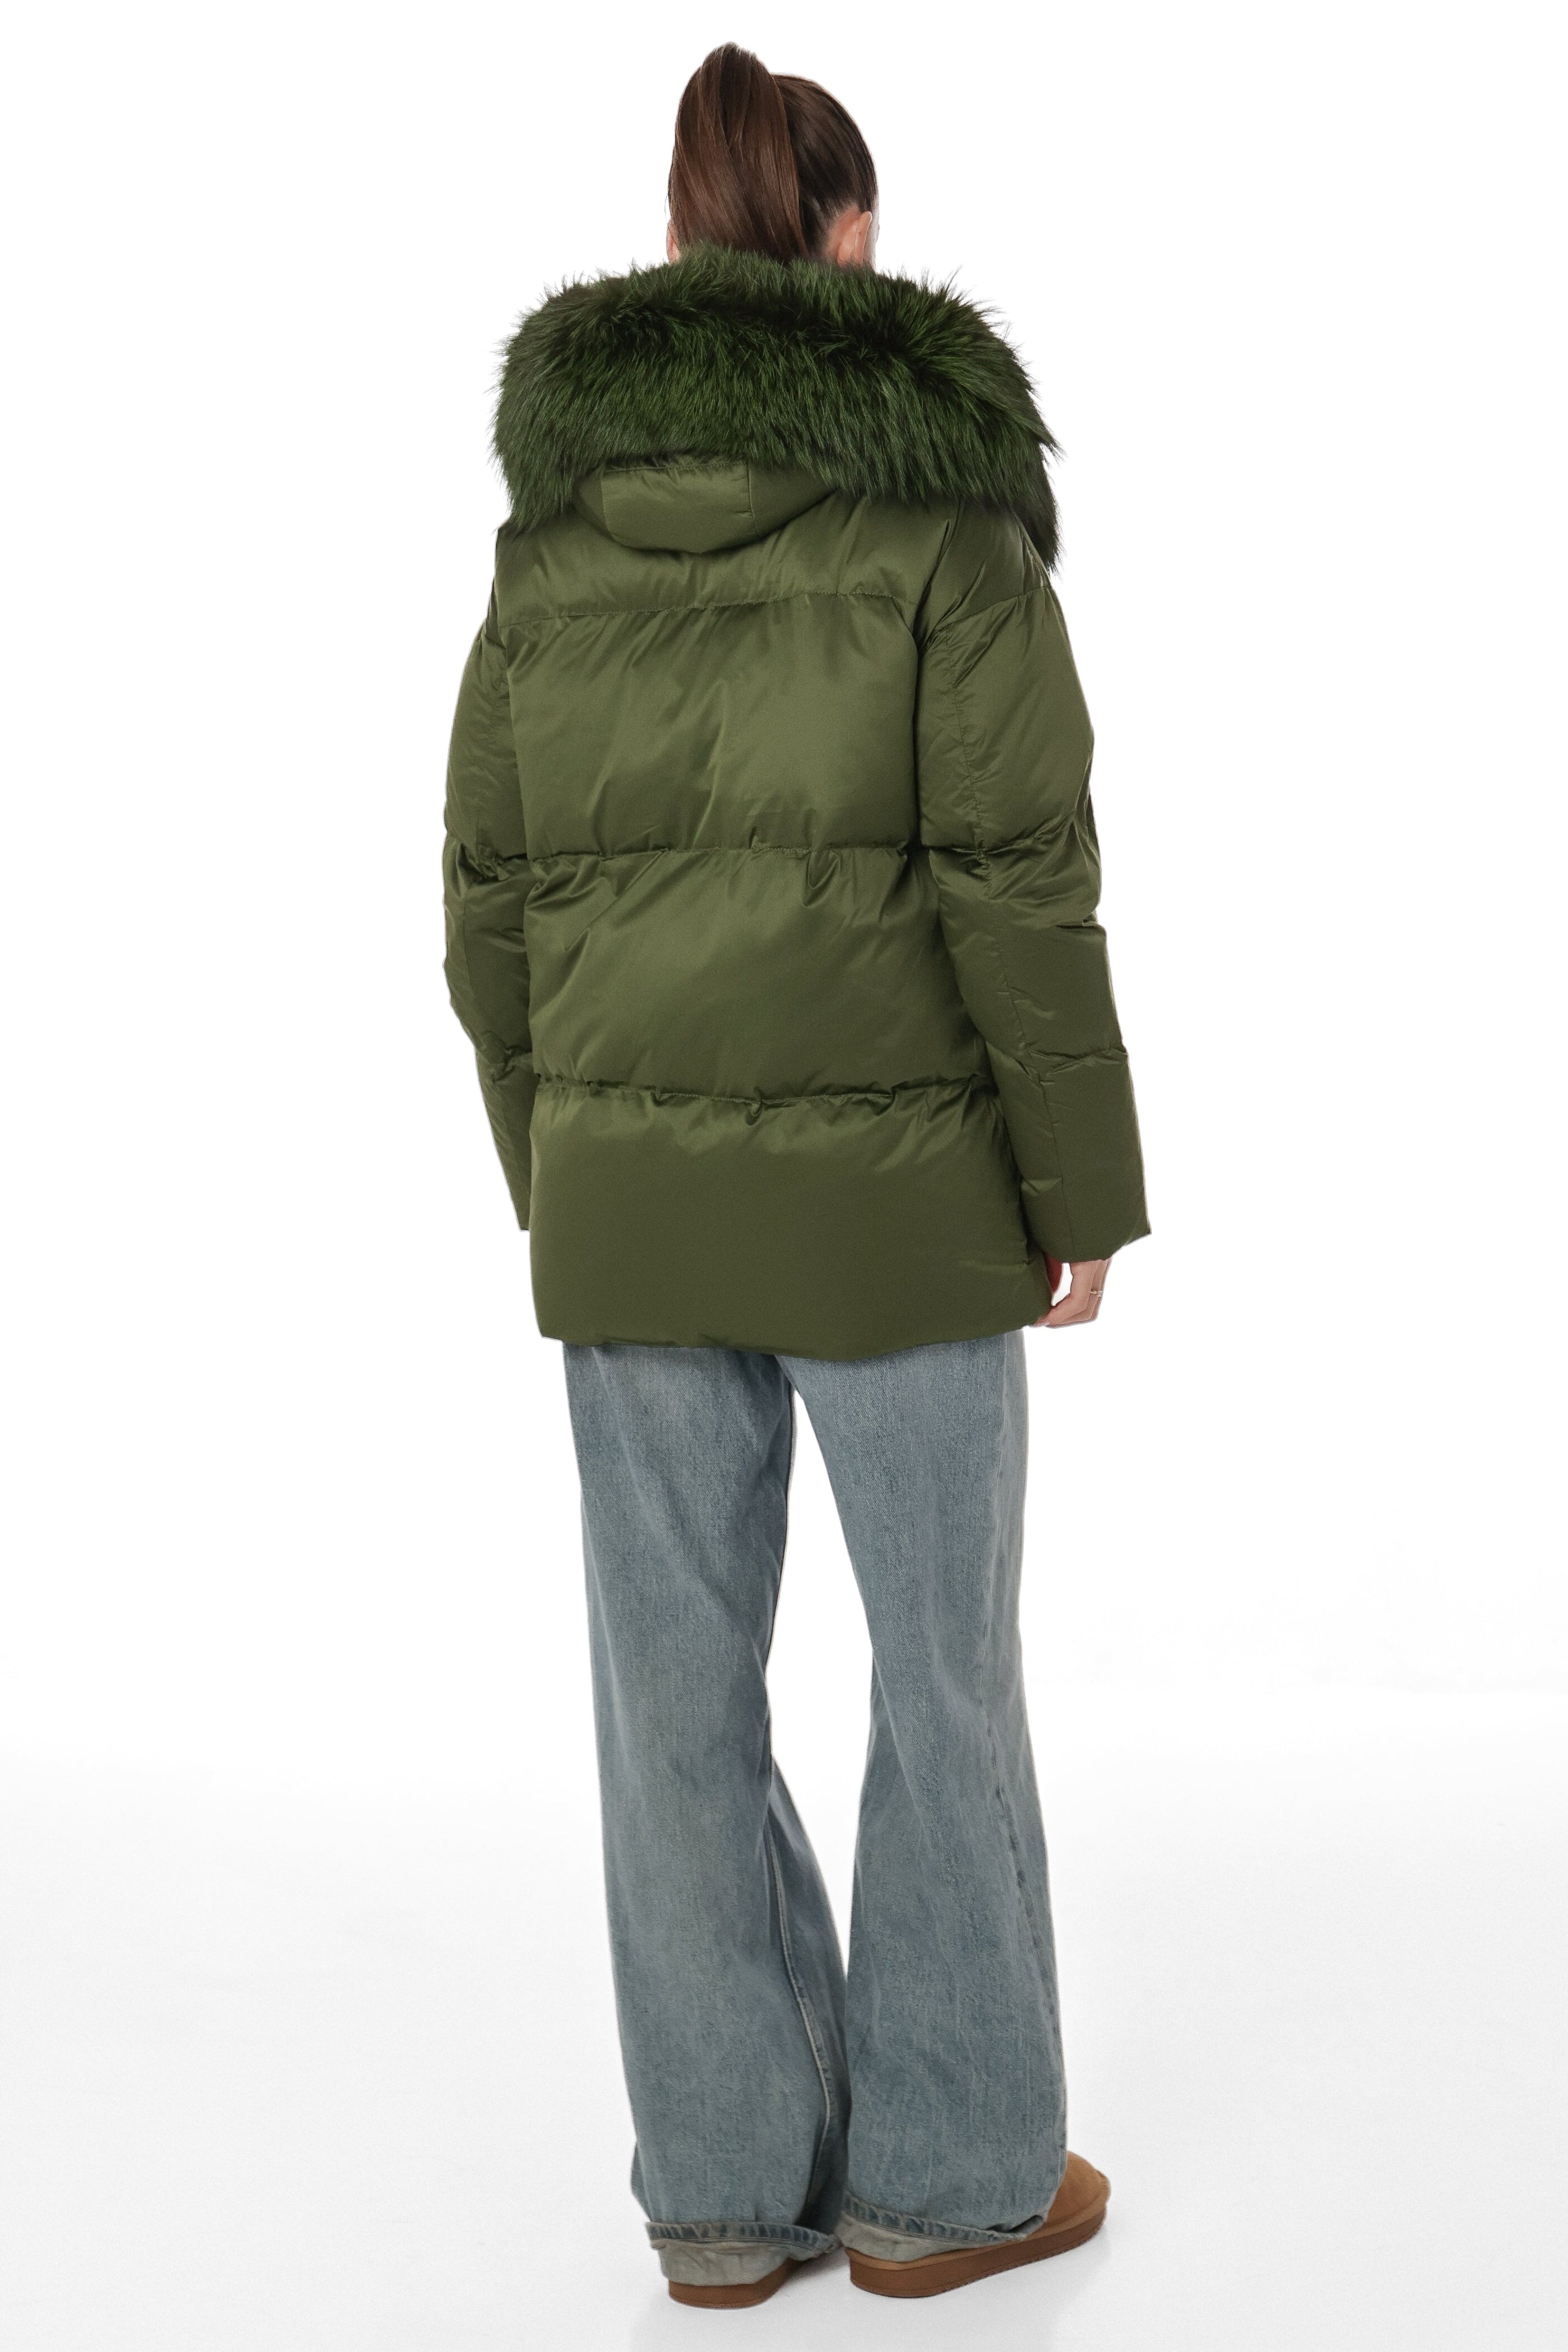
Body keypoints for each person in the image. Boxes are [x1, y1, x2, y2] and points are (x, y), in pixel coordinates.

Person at [443, 41, 1149, 2309]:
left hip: (630, 1209)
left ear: (673, 245)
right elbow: (1018, 881)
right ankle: (945, 2184)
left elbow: (486, 896)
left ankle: (726, 2196)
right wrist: (1075, 1184)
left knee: (669, 1708)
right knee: (939, 1689)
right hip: (904, 1210)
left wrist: (564, 1164)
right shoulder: (944, 522)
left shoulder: (552, 541)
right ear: (848, 240)